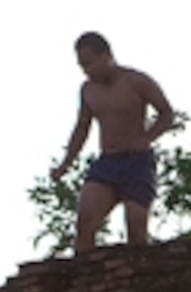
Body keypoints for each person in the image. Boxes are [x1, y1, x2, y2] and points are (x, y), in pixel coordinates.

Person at [48, 32, 181, 253]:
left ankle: (136, 279)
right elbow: (82, 128)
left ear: (106, 56)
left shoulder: (136, 81)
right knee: (85, 223)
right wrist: (65, 164)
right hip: (108, 162)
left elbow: (166, 114)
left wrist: (147, 138)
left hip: (136, 162)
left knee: (136, 231)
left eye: (90, 64)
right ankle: (84, 280)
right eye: (82, 66)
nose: (87, 71)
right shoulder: (88, 90)